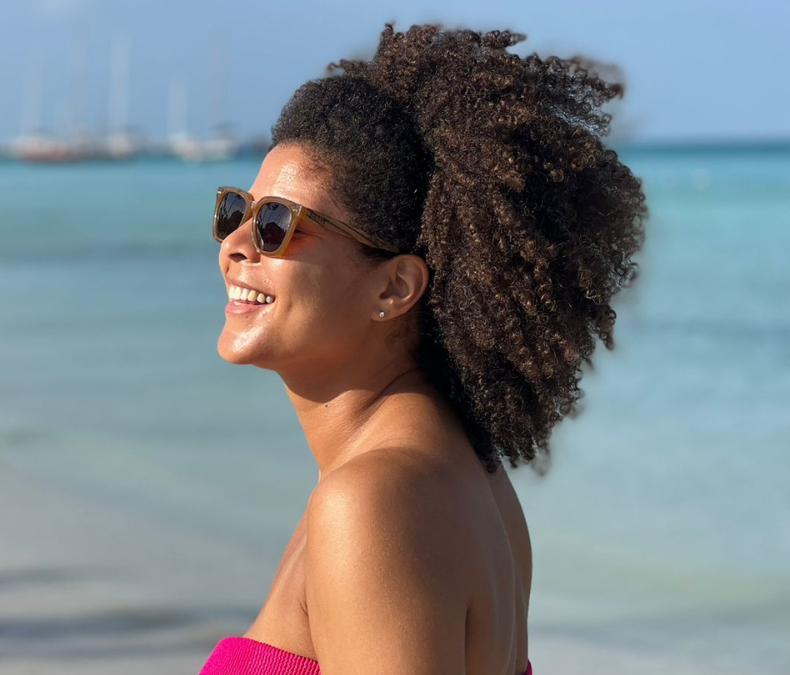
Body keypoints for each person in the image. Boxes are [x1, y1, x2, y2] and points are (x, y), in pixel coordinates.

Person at [199, 24, 645, 675]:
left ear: (395, 287)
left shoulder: (371, 502)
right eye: (237, 211)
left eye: (277, 226)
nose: (236, 243)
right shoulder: (465, 474)